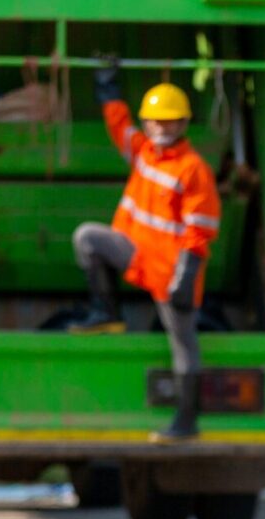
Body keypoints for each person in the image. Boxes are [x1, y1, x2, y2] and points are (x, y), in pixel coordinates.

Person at [69, 60, 222, 441]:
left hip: (171, 272)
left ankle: (186, 422)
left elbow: (200, 229)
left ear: (184, 123)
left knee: (183, 342)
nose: (160, 127)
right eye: (154, 120)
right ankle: (106, 312)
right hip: (136, 253)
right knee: (87, 237)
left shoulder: (192, 170)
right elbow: (120, 127)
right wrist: (108, 90)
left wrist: (187, 276)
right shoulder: (144, 152)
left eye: (169, 121)